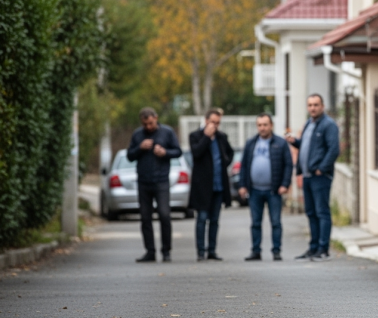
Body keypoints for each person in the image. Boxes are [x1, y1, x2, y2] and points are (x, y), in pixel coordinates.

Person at [286, 94, 340, 262]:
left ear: (322, 106)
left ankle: (323, 249)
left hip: (320, 176)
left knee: (322, 212)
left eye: (316, 105)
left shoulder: (328, 124)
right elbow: (306, 146)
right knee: (311, 213)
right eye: (310, 105)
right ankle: (314, 247)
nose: (313, 108)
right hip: (308, 175)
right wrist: (295, 141)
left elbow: (333, 150)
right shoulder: (309, 123)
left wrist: (321, 169)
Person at [126, 107, 182, 263]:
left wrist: (165, 152)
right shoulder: (138, 135)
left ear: (156, 118)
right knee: (145, 218)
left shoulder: (167, 132)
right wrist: (140, 148)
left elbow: (178, 151)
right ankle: (150, 251)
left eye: (150, 123)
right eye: (145, 124)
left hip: (161, 181)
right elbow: (130, 156)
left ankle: (166, 251)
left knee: (164, 215)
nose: (149, 127)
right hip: (143, 182)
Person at [239, 113, 293, 261]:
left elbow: (288, 165)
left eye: (265, 125)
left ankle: (276, 251)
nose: (262, 128)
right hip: (254, 190)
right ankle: (255, 251)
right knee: (255, 223)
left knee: (275, 222)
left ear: (271, 126)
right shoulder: (251, 143)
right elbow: (244, 166)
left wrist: (285, 184)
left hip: (274, 190)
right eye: (259, 125)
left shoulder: (280, 143)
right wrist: (242, 185)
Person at [188, 108, 234, 262]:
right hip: (202, 187)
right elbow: (196, 153)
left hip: (218, 185)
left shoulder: (222, 137)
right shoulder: (195, 136)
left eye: (218, 123)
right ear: (206, 120)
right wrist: (206, 137)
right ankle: (200, 251)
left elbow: (230, 153)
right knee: (201, 219)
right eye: (212, 122)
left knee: (214, 220)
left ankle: (212, 250)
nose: (215, 125)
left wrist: (224, 162)